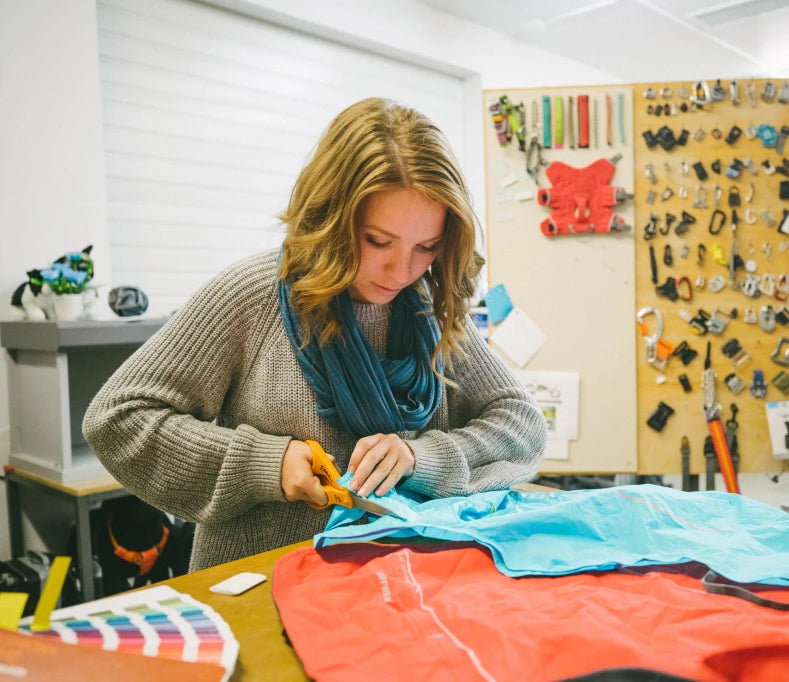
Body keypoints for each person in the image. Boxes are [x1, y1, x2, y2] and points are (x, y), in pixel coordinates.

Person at [83, 97, 547, 571]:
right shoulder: (252, 295)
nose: (400, 270)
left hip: (406, 585)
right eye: (377, 241)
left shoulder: (429, 306)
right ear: (329, 217)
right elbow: (118, 418)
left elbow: (522, 423)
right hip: (257, 590)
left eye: (426, 246)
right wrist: (265, 463)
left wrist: (421, 456)